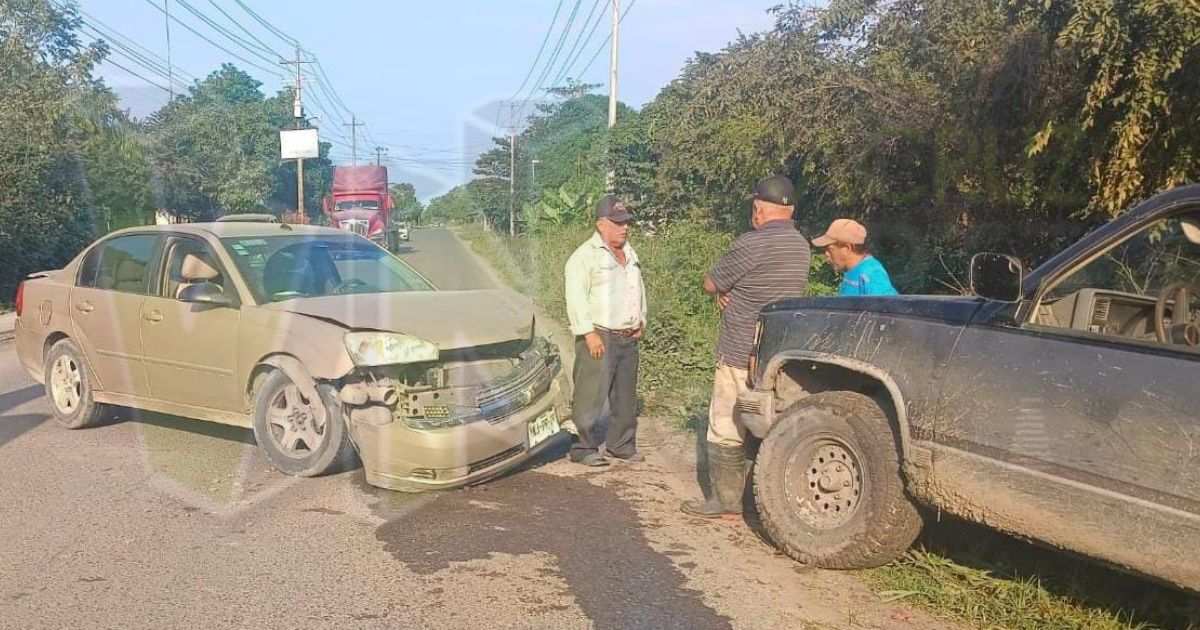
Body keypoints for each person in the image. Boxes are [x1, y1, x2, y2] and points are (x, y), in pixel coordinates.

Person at [681, 176, 811, 518]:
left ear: (758, 209)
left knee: (726, 423)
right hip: (778, 352)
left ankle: (725, 500)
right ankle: (758, 499)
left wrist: (724, 293)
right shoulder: (801, 245)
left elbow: (711, 282)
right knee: (763, 421)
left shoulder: (750, 244)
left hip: (740, 348)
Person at [563, 194, 648, 467]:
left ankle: (621, 445)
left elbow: (637, 289)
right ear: (601, 224)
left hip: (627, 336)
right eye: (617, 223)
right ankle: (582, 447)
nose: (624, 228)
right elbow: (575, 297)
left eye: (626, 223)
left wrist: (641, 320)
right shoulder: (584, 257)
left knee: (625, 398)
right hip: (600, 335)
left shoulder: (630, 253)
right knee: (590, 394)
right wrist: (588, 333)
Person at [812, 218, 899, 296]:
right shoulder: (851, 272)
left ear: (847, 248)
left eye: (830, 249)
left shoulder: (871, 273)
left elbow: (888, 308)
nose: (826, 254)